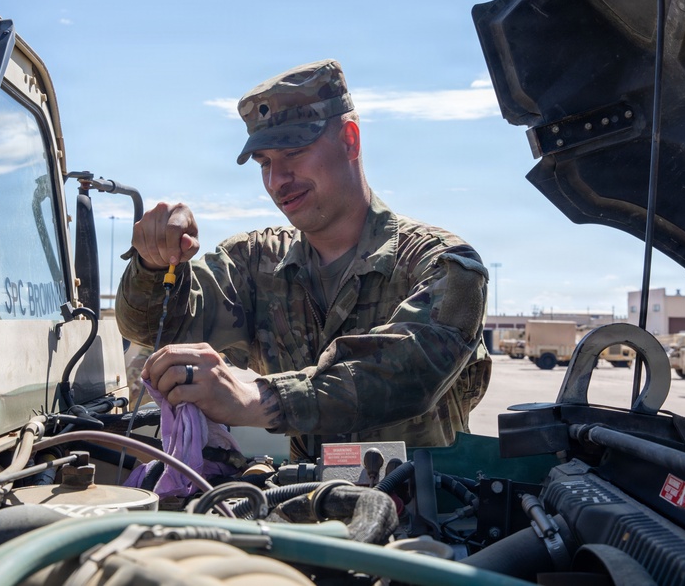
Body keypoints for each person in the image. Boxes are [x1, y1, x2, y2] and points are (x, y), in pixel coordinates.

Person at [116, 59, 491, 459]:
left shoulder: (443, 265)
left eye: (294, 151)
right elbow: (153, 325)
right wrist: (155, 265)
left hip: (423, 512)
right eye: (265, 163)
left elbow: (406, 376)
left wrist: (256, 397)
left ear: (350, 139)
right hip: (300, 508)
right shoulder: (254, 261)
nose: (278, 180)